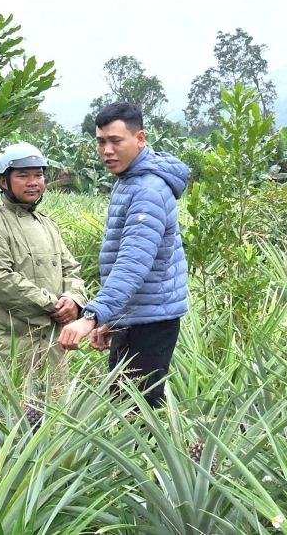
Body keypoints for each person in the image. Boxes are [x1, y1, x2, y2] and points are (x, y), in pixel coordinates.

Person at [58, 102, 189, 409]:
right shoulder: (130, 180)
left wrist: (92, 316)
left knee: (136, 415)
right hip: (136, 316)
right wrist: (112, 320)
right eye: (101, 142)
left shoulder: (148, 190)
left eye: (116, 141)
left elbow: (133, 262)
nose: (107, 150)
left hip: (151, 323)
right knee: (124, 407)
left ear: (140, 138)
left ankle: (160, 459)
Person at [0, 142, 88, 425]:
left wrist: (74, 299)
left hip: (55, 341)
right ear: (3, 181)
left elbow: (71, 268)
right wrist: (53, 305)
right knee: (15, 420)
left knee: (56, 417)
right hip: (17, 343)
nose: (33, 183)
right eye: (23, 175)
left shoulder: (48, 225)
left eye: (39, 175)